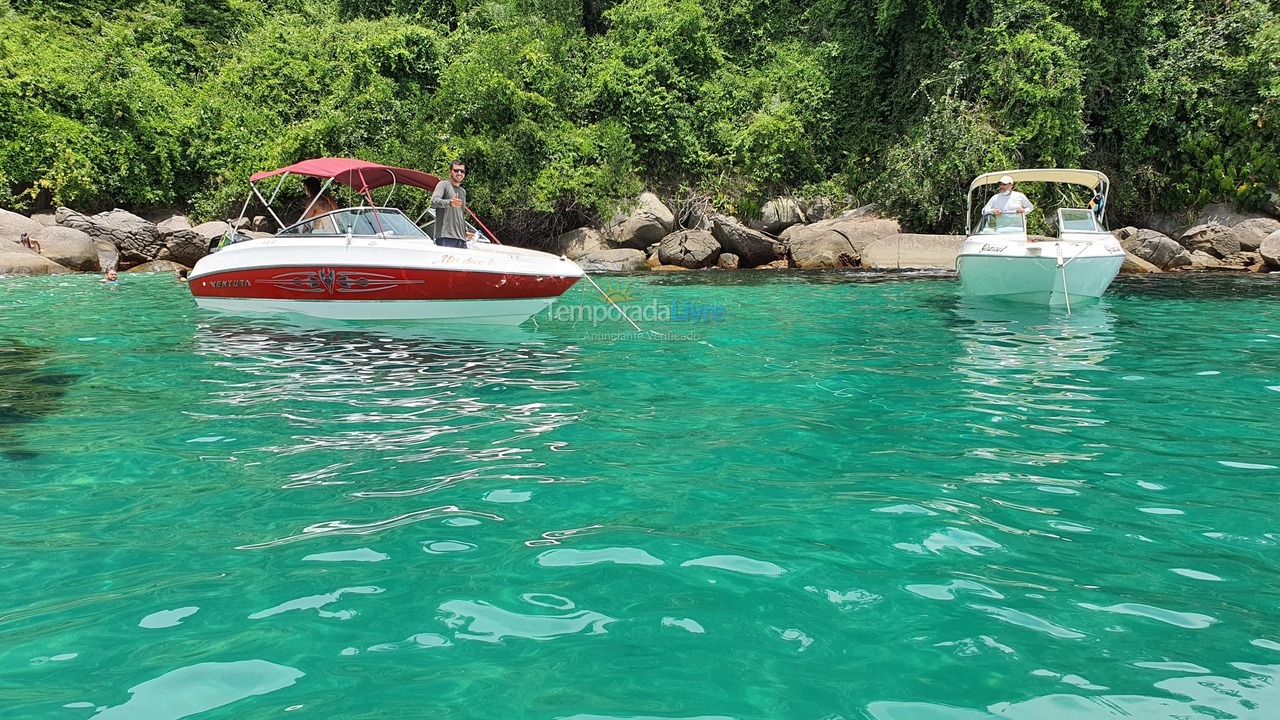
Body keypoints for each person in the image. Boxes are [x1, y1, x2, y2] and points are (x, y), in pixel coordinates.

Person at [430, 160, 474, 249]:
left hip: (461, 239)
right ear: (450, 172)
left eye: (462, 171)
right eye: (456, 170)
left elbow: (460, 215)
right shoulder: (443, 185)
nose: (459, 173)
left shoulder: (463, 191)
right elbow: (434, 201)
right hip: (445, 238)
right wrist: (449, 202)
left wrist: (465, 231)